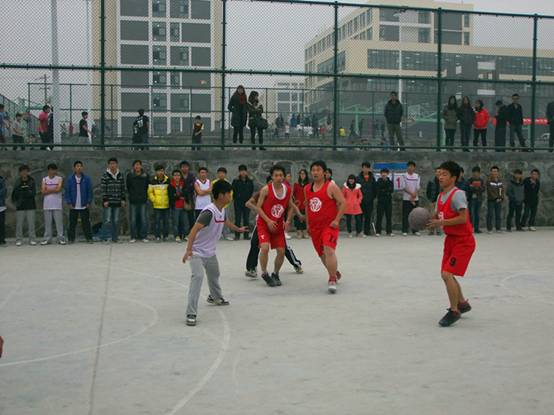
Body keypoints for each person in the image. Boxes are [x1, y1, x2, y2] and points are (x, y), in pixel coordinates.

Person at [182, 180, 248, 327]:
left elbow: (225, 221)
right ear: (221, 195)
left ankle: (215, 297)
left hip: (210, 253)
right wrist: (189, 250)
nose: (230, 196)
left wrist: (237, 229)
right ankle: (191, 313)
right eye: (229, 194)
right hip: (197, 252)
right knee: (198, 277)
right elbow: (193, 231)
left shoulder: (221, 210)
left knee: (214, 274)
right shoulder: (208, 212)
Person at [427, 161, 475, 327]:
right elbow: (437, 216)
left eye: (444, 174)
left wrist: (441, 223)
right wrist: (427, 220)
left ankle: (454, 311)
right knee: (446, 274)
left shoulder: (458, 194)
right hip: (450, 240)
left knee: (447, 274)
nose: (440, 177)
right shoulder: (440, 196)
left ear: (453, 177)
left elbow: (463, 218)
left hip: (463, 241)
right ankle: (462, 303)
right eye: (439, 173)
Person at [245, 176, 304, 278]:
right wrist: (260, 210)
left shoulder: (284, 191)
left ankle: (296, 263)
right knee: (255, 243)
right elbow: (248, 203)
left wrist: (290, 219)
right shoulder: (263, 191)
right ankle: (252, 268)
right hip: (262, 223)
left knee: (283, 248)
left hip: (277, 223)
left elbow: (292, 206)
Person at [305, 160, 346, 294]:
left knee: (329, 250)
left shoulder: (331, 186)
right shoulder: (307, 188)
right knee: (322, 254)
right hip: (314, 227)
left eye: (318, 170)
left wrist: (337, 220)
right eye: (313, 170)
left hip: (329, 226)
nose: (315, 172)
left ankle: (332, 279)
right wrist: (307, 224)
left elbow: (343, 202)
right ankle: (334, 271)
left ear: (324, 172)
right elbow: (307, 206)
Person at [256, 165, 295, 287]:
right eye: (276, 175)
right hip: (264, 224)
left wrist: (288, 221)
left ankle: (275, 273)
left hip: (278, 226)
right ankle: (264, 273)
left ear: (284, 177)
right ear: (272, 177)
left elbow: (291, 206)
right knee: (265, 248)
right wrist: (268, 220)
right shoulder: (266, 190)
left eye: (281, 175)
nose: (279, 177)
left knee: (281, 251)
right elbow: (258, 207)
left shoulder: (288, 190)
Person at [65, 160, 93, 244]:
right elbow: (67, 192)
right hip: (73, 205)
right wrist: (69, 202)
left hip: (84, 204)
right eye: (77, 166)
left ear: (82, 167)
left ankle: (89, 238)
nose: (79, 167)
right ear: (74, 168)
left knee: (86, 222)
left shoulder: (87, 179)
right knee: (72, 223)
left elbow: (89, 191)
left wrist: (89, 201)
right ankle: (71, 239)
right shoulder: (70, 179)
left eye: (80, 166)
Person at [101, 157, 126, 242]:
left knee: (116, 220)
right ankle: (106, 237)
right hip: (108, 202)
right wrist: (105, 200)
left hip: (117, 201)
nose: (112, 165)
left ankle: (115, 238)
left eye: (114, 163)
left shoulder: (120, 175)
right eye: (111, 164)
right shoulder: (105, 175)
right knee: (107, 220)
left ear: (117, 165)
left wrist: (123, 199)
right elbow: (103, 189)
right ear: (108, 165)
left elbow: (123, 188)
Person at [12, 165, 37, 246]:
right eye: (22, 171)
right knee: (19, 224)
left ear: (28, 172)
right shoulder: (17, 181)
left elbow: (33, 193)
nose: (24, 173)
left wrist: (24, 191)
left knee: (31, 224)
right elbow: (15, 193)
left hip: (30, 205)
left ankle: (32, 239)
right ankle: (19, 239)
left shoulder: (32, 181)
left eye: (26, 171)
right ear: (20, 173)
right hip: (20, 205)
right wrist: (25, 191)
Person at [40, 163, 65, 245]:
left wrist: (48, 189)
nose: (53, 171)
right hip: (47, 204)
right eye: (51, 170)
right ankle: (47, 239)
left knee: (59, 223)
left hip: (57, 204)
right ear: (48, 170)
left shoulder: (59, 179)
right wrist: (53, 189)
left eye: (54, 170)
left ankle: (60, 238)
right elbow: (43, 191)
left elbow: (58, 189)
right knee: (47, 223)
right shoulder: (44, 179)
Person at [126, 160, 150, 243]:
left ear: (141, 166)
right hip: (133, 200)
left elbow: (147, 186)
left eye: (139, 165)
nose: (137, 166)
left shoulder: (145, 175)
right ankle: (133, 236)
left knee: (143, 219)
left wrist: (145, 196)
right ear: (133, 166)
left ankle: (144, 236)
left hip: (143, 200)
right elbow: (128, 187)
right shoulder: (130, 176)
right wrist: (132, 195)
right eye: (136, 165)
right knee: (133, 219)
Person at [232, 164, 254, 240]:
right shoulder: (235, 181)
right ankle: (237, 235)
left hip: (247, 203)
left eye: (244, 171)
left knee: (246, 219)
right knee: (237, 219)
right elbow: (233, 191)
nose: (243, 172)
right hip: (238, 203)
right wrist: (236, 198)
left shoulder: (250, 181)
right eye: (241, 171)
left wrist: (249, 200)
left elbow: (251, 190)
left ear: (246, 171)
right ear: (239, 172)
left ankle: (246, 235)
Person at [148, 164, 170, 242]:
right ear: (156, 172)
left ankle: (165, 236)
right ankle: (157, 236)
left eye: (162, 171)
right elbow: (150, 192)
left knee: (166, 222)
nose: (160, 172)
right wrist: (154, 200)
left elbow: (170, 191)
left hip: (166, 205)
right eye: (159, 171)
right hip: (157, 205)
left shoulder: (168, 180)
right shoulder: (152, 181)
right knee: (157, 222)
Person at [212, 167, 234, 241]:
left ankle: (226, 234)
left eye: (223, 173)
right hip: (216, 205)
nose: (221, 174)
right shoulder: (213, 183)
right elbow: (212, 193)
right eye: (220, 173)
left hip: (225, 205)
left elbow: (230, 194)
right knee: (215, 220)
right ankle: (215, 235)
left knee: (225, 219)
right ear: (217, 174)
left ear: (225, 174)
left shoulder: (228, 183)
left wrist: (227, 201)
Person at [168, 169, 189, 242]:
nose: (177, 177)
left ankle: (185, 235)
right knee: (176, 222)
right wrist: (179, 196)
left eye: (178, 175)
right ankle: (177, 236)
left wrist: (177, 195)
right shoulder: (170, 185)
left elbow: (186, 193)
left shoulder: (183, 184)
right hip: (175, 206)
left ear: (180, 176)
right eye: (175, 175)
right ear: (173, 176)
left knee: (185, 222)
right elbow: (171, 196)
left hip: (184, 205)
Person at [356, 162, 376, 237]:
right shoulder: (358, 178)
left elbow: (375, 189)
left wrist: (372, 197)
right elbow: (356, 189)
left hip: (369, 200)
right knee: (359, 217)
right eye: (364, 167)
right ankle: (359, 231)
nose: (365, 169)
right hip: (360, 201)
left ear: (369, 168)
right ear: (362, 168)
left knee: (368, 216)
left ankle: (367, 231)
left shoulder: (372, 178)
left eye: (367, 167)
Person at [402, 161, 421, 236]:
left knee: (415, 215)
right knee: (405, 215)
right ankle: (405, 230)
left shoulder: (417, 176)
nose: (410, 168)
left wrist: (414, 194)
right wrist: (411, 194)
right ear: (407, 167)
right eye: (409, 166)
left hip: (415, 198)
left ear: (414, 167)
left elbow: (418, 187)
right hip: (406, 199)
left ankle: (415, 230)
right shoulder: (404, 175)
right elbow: (404, 187)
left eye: (412, 166)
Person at [375, 168, 394, 237]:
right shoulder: (378, 182)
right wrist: (386, 191)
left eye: (385, 173)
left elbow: (391, 190)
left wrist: (384, 190)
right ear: (380, 174)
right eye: (382, 173)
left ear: (387, 174)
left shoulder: (390, 182)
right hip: (380, 201)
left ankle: (389, 231)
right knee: (379, 217)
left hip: (388, 202)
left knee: (389, 217)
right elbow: (378, 191)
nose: (384, 174)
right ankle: (378, 231)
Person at [179, 161, 196, 235]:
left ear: (188, 168)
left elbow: (193, 186)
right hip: (180, 198)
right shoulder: (178, 176)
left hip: (189, 198)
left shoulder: (192, 176)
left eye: (186, 167)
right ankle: (181, 234)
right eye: (183, 167)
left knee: (191, 217)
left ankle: (190, 233)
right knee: (180, 217)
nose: (184, 168)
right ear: (180, 168)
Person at [486, 165, 504, 234]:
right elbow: (490, 191)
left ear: (498, 172)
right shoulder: (488, 181)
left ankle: (498, 228)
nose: (494, 173)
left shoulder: (500, 180)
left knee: (498, 215)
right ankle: (489, 229)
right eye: (493, 171)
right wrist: (496, 198)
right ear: (491, 172)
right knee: (490, 214)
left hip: (499, 200)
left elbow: (502, 190)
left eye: (496, 171)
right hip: (491, 200)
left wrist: (501, 197)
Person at [467, 166, 485, 234]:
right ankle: (470, 228)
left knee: (477, 214)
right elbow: (468, 188)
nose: (475, 174)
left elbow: (483, 189)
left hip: (479, 199)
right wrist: (472, 187)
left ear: (479, 173)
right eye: (474, 172)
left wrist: (478, 187)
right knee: (471, 214)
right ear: (472, 173)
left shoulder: (481, 180)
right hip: (471, 199)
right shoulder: (469, 180)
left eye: (477, 173)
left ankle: (477, 228)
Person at [293, 169, 309, 239]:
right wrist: (295, 200)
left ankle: (305, 231)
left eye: (303, 174)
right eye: (301, 174)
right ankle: (299, 231)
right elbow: (292, 194)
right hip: (298, 204)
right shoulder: (296, 184)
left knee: (305, 216)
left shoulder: (309, 184)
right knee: (297, 218)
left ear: (306, 175)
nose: (302, 175)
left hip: (305, 203)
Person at [426, 168, 441, 235]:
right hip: (432, 201)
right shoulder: (431, 181)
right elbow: (428, 191)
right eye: (437, 172)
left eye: (439, 172)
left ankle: (438, 230)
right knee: (432, 216)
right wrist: (430, 200)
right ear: (435, 173)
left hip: (440, 202)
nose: (438, 173)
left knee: (439, 216)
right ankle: (431, 230)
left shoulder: (442, 181)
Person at [0, 174, 6, 246]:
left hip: (0, 206)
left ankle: (1, 239)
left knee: (1, 224)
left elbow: (3, 191)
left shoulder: (1, 180)